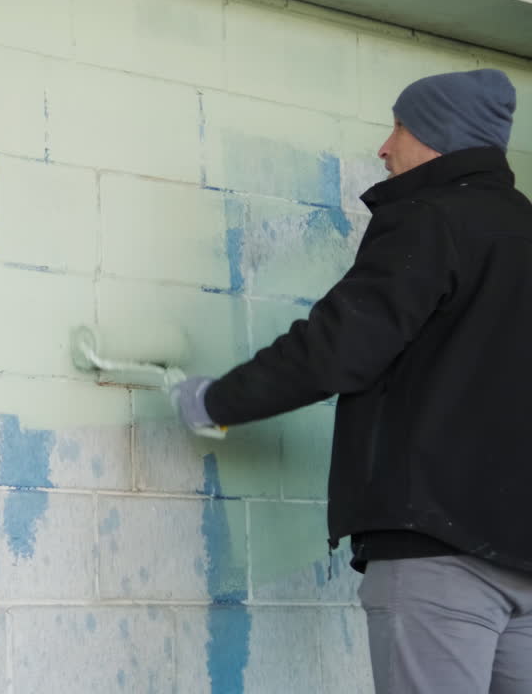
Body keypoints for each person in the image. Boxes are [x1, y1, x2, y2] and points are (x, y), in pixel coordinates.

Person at [171, 68, 530, 693]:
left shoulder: (429, 218)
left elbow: (337, 348)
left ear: (440, 135)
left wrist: (213, 401)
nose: (385, 147)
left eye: (399, 126)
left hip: (439, 557)